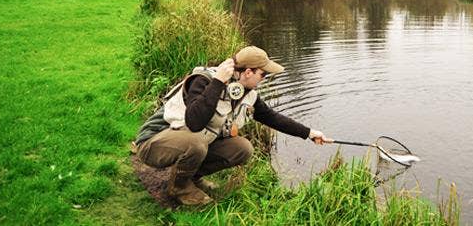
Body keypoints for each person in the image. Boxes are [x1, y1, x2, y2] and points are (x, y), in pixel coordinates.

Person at [133, 45, 328, 205]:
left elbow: (272, 118)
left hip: (184, 142)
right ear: (248, 72)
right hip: (152, 143)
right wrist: (218, 82)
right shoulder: (203, 81)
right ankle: (179, 188)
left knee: (242, 148)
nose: (265, 79)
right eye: (263, 74)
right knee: (196, 143)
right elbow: (194, 122)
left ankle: (189, 178)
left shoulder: (247, 92)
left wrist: (309, 133)